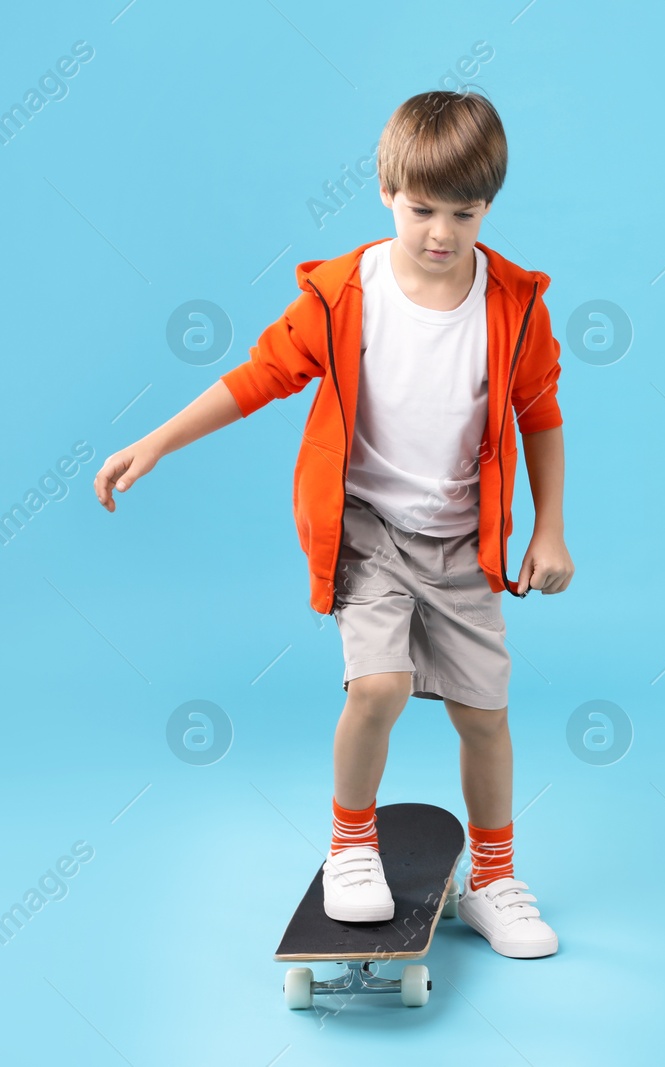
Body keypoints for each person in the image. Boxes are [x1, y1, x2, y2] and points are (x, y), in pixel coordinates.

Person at [91, 89, 571, 959]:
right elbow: (258, 377)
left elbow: (540, 413)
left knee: (484, 713)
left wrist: (549, 530)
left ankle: (493, 877)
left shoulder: (515, 306)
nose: (440, 231)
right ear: (386, 189)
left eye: (463, 212)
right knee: (377, 688)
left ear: (488, 207)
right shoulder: (345, 294)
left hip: (466, 537)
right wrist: (155, 441)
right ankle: (352, 845)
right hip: (369, 532)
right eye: (421, 208)